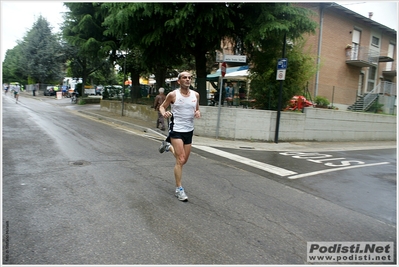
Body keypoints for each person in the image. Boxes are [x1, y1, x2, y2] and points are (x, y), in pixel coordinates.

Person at [158, 71, 201, 202]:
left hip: (189, 131)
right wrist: (165, 113)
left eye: (189, 78)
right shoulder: (173, 95)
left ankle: (167, 146)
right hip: (176, 130)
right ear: (179, 81)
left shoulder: (196, 95)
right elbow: (162, 107)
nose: (187, 79)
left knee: (184, 160)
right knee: (180, 159)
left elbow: (197, 108)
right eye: (184, 78)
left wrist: (198, 112)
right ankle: (179, 189)